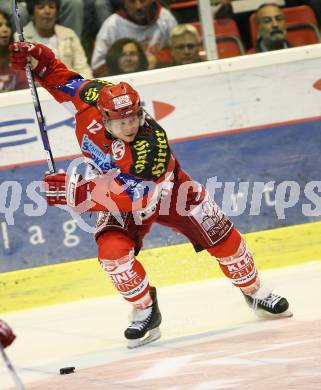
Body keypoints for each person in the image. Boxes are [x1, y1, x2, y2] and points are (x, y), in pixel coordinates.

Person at [9, 41, 292, 349]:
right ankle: (145, 310)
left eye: (133, 117)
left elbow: (137, 198)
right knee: (112, 257)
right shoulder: (91, 97)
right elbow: (57, 76)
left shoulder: (150, 145)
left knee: (226, 241)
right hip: (116, 195)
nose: (129, 125)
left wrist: (76, 192)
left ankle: (255, 292)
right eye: (120, 120)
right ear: (103, 116)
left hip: (171, 192)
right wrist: (38, 58)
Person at [91, 0, 177, 74]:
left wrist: (159, 58)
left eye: (142, 1)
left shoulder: (165, 18)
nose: (138, 6)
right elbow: (97, 67)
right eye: (132, 1)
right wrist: (119, 67)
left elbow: (180, 51)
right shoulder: (112, 25)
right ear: (124, 3)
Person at [21, 0, 93, 78]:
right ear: (32, 12)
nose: (47, 11)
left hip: (73, 86)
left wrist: (86, 88)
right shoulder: (22, 38)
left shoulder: (69, 34)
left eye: (52, 7)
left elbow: (83, 68)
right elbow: (25, 76)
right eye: (41, 7)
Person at [0, 10, 28, 92]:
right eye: (0, 25)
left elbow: (24, 91)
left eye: (8, 25)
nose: (5, 29)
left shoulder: (17, 56)